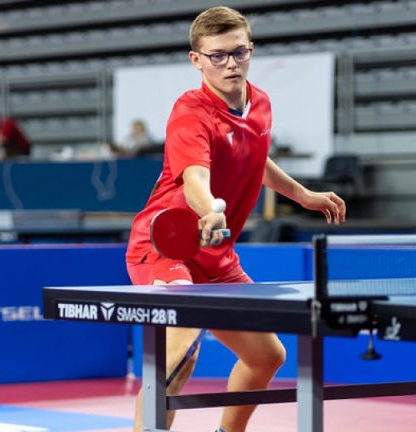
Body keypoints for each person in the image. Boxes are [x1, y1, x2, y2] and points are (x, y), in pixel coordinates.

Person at [125, 6, 346, 432]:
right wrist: (209, 210)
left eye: (239, 53)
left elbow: (254, 155)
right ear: (197, 59)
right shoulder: (191, 112)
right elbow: (194, 177)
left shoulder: (259, 102)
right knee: (180, 352)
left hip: (217, 255)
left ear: (251, 50)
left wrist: (303, 195)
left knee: (268, 356)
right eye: (218, 55)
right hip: (167, 246)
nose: (231, 64)